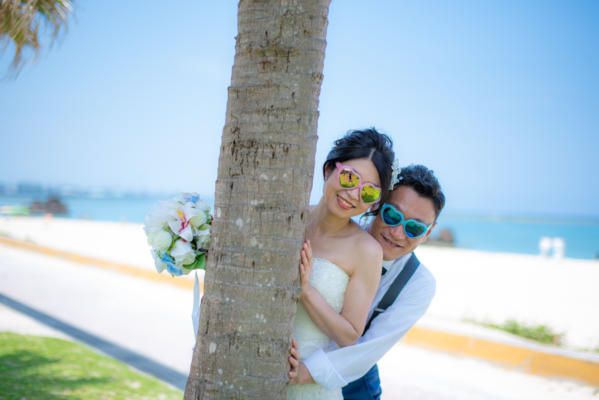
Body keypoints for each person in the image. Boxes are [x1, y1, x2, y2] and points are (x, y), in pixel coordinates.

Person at [289, 164, 446, 400]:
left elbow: (370, 346)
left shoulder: (419, 283)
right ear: (377, 205)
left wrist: (305, 373)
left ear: (428, 232)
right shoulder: (339, 234)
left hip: (355, 383)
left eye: (414, 228)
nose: (397, 233)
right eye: (392, 215)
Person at [287, 128, 395, 400]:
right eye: (349, 178)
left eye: (368, 192)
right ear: (328, 170)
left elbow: (349, 335)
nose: (354, 194)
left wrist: (306, 291)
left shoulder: (366, 250)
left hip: (308, 386)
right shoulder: (288, 218)